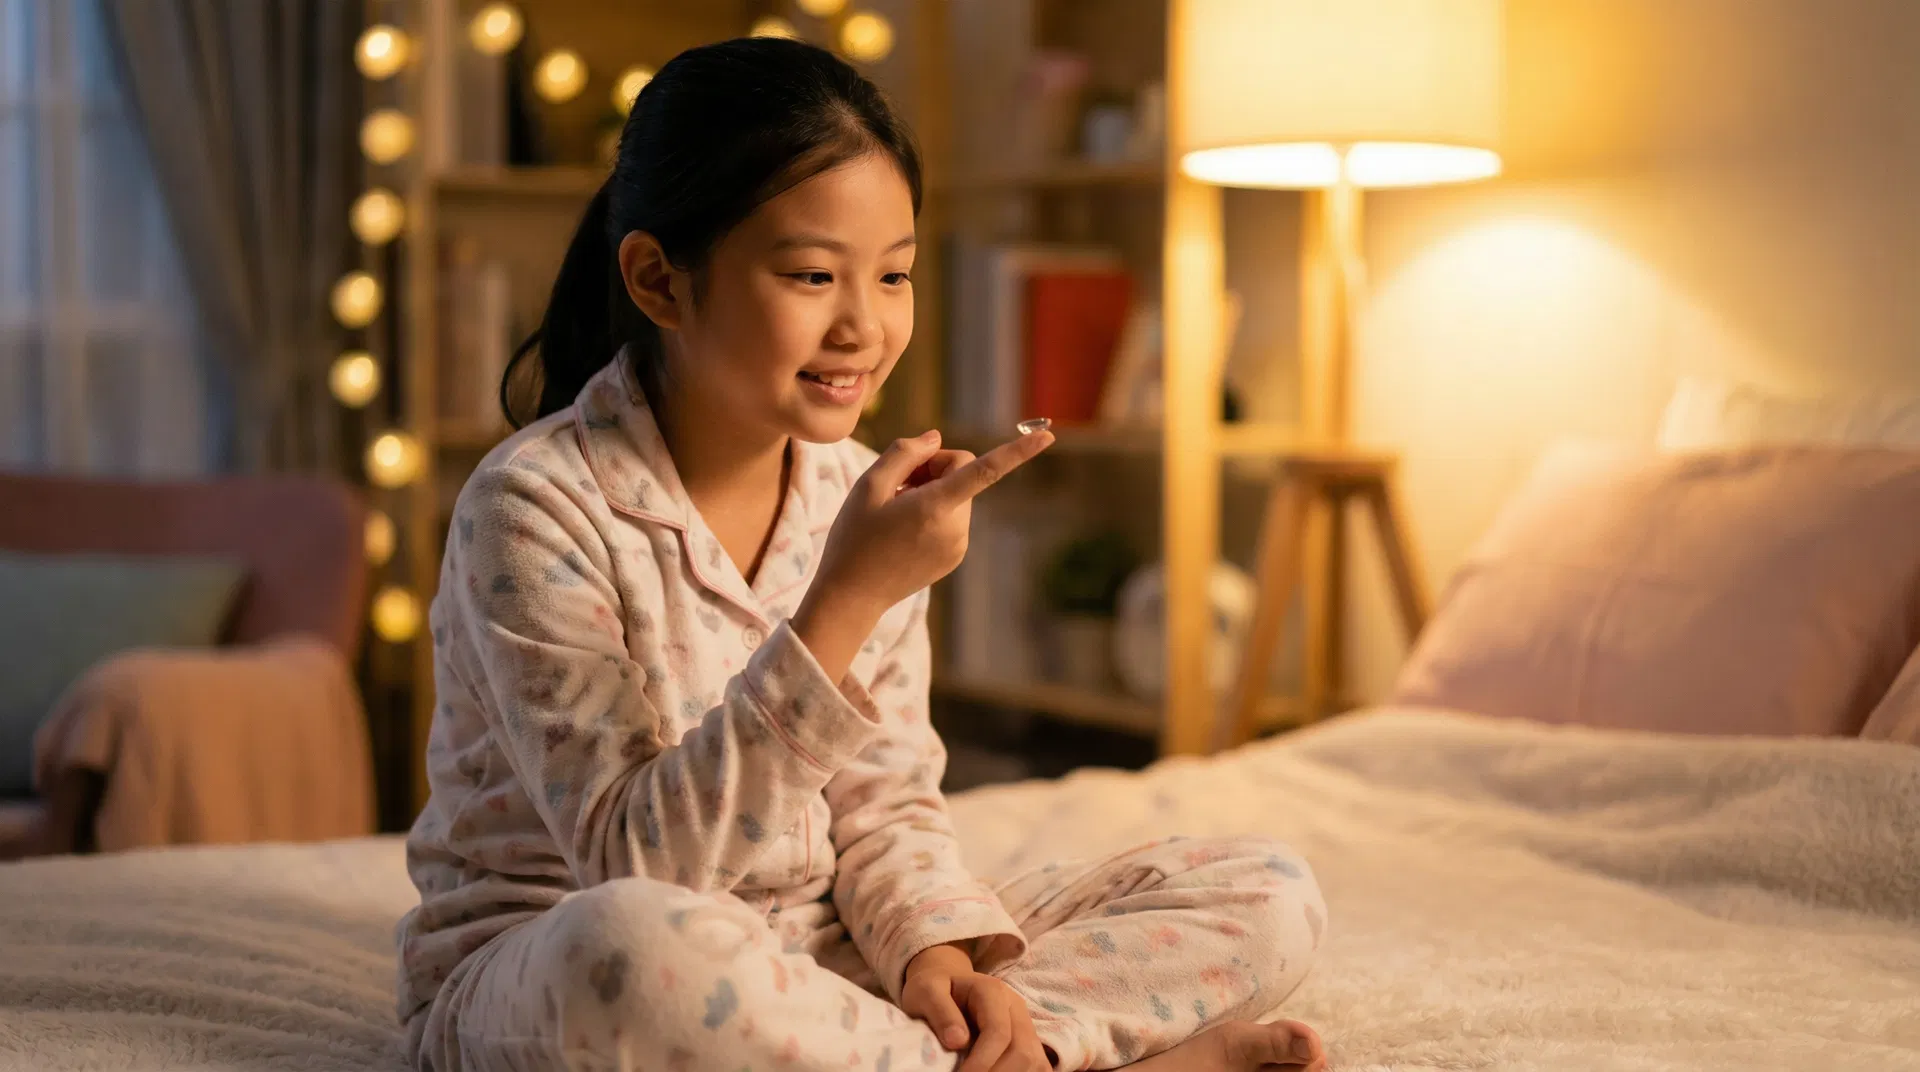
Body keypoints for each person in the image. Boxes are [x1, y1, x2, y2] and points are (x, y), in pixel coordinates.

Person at [394, 35, 1328, 1072]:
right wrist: (847, 596)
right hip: (573, 962)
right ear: (660, 279)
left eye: (894, 275)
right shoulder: (534, 506)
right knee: (626, 952)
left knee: (1270, 888)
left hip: (830, 953)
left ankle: (1000, 1051)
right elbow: (640, 865)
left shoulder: (856, 494)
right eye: (810, 275)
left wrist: (930, 946)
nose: (865, 326)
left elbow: (885, 803)